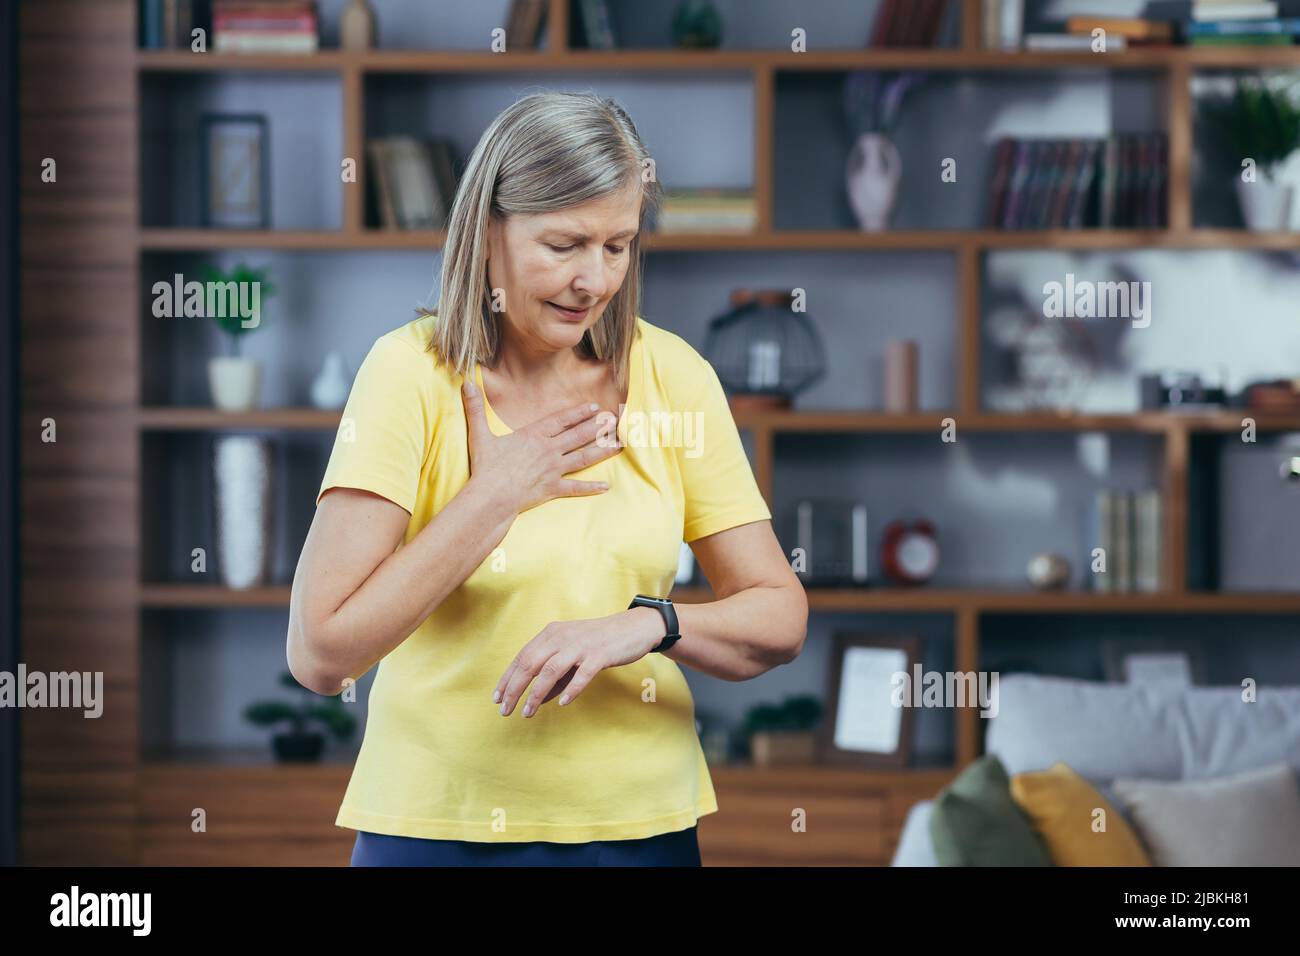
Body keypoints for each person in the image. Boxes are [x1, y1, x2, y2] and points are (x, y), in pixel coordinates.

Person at [287, 90, 808, 867]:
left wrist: (650, 623)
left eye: (618, 245)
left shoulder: (672, 376)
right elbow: (321, 653)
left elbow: (779, 617)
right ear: (488, 230)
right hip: (437, 831)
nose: (593, 280)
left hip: (639, 832)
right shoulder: (412, 374)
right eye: (563, 245)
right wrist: (492, 499)